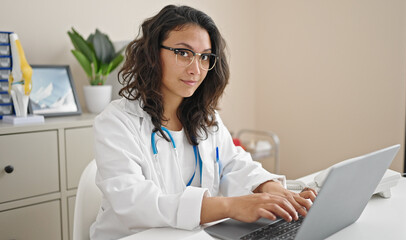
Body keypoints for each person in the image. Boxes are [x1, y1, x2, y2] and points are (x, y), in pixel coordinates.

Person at [90, 5, 317, 240]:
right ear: (153, 54)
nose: (195, 69)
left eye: (205, 57)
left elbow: (233, 164)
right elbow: (135, 203)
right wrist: (230, 206)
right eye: (183, 52)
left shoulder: (206, 118)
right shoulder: (116, 122)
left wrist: (271, 189)